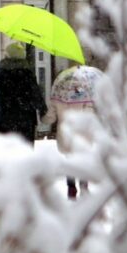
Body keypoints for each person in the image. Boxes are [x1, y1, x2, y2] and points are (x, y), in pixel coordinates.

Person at [42, 66, 99, 200]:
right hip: (83, 134)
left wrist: (43, 119)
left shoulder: (58, 96)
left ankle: (71, 188)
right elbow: (91, 116)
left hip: (66, 133)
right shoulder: (87, 97)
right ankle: (84, 187)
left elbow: (50, 117)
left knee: (70, 160)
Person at [0, 42, 47, 142]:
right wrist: (43, 110)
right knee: (24, 148)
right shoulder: (27, 74)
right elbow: (36, 95)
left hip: (3, 119)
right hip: (25, 120)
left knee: (6, 149)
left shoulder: (0, 73)